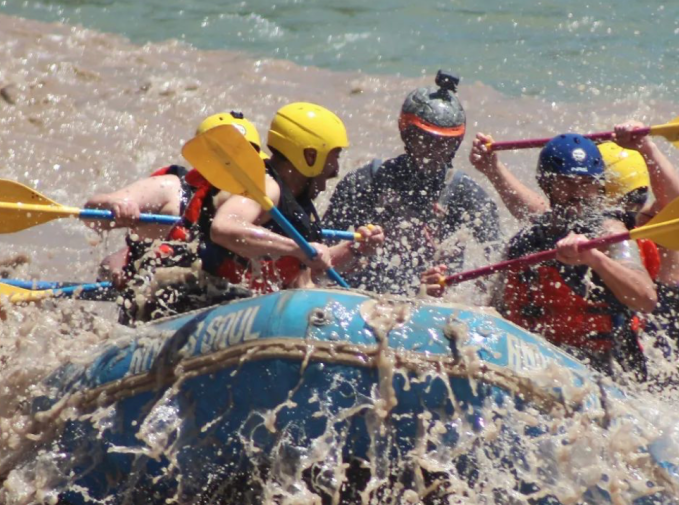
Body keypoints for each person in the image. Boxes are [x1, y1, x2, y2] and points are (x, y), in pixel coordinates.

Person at [425, 134, 659, 381]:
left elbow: (647, 299)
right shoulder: (526, 243)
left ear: (598, 186)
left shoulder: (610, 235)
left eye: (585, 183)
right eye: (566, 183)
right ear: (547, 185)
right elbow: (491, 311)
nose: (577, 192)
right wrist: (442, 299)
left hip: (606, 370)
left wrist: (595, 259)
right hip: (538, 365)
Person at [322, 71, 499, 295]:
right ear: (406, 133)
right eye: (425, 140)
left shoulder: (466, 196)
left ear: (456, 143)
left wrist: (452, 283)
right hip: (362, 297)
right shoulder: (365, 183)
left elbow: (494, 269)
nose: (433, 152)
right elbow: (318, 253)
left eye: (444, 144)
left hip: (434, 304)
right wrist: (354, 250)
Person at [83, 110, 266, 323]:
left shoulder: (256, 203)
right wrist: (115, 205)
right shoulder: (171, 190)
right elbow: (91, 213)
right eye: (234, 159)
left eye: (247, 159)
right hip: (157, 313)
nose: (242, 169)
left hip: (225, 315)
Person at [202, 102, 383, 291]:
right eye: (334, 156)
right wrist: (297, 248)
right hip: (220, 300)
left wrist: (355, 249)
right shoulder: (266, 186)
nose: (336, 169)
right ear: (310, 156)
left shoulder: (298, 200)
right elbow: (223, 227)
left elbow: (309, 269)